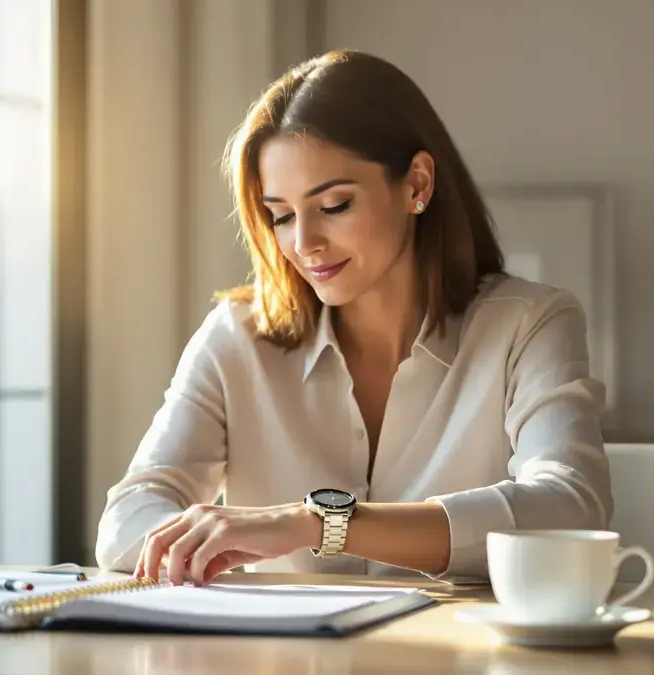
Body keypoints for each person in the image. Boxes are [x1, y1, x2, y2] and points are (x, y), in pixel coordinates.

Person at [94, 50, 612, 586]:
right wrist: (205, 543)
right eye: (281, 216)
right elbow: (127, 521)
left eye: (335, 205)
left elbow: (569, 506)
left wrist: (314, 524)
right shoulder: (237, 337)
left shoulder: (530, 324)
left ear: (416, 185)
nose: (304, 243)